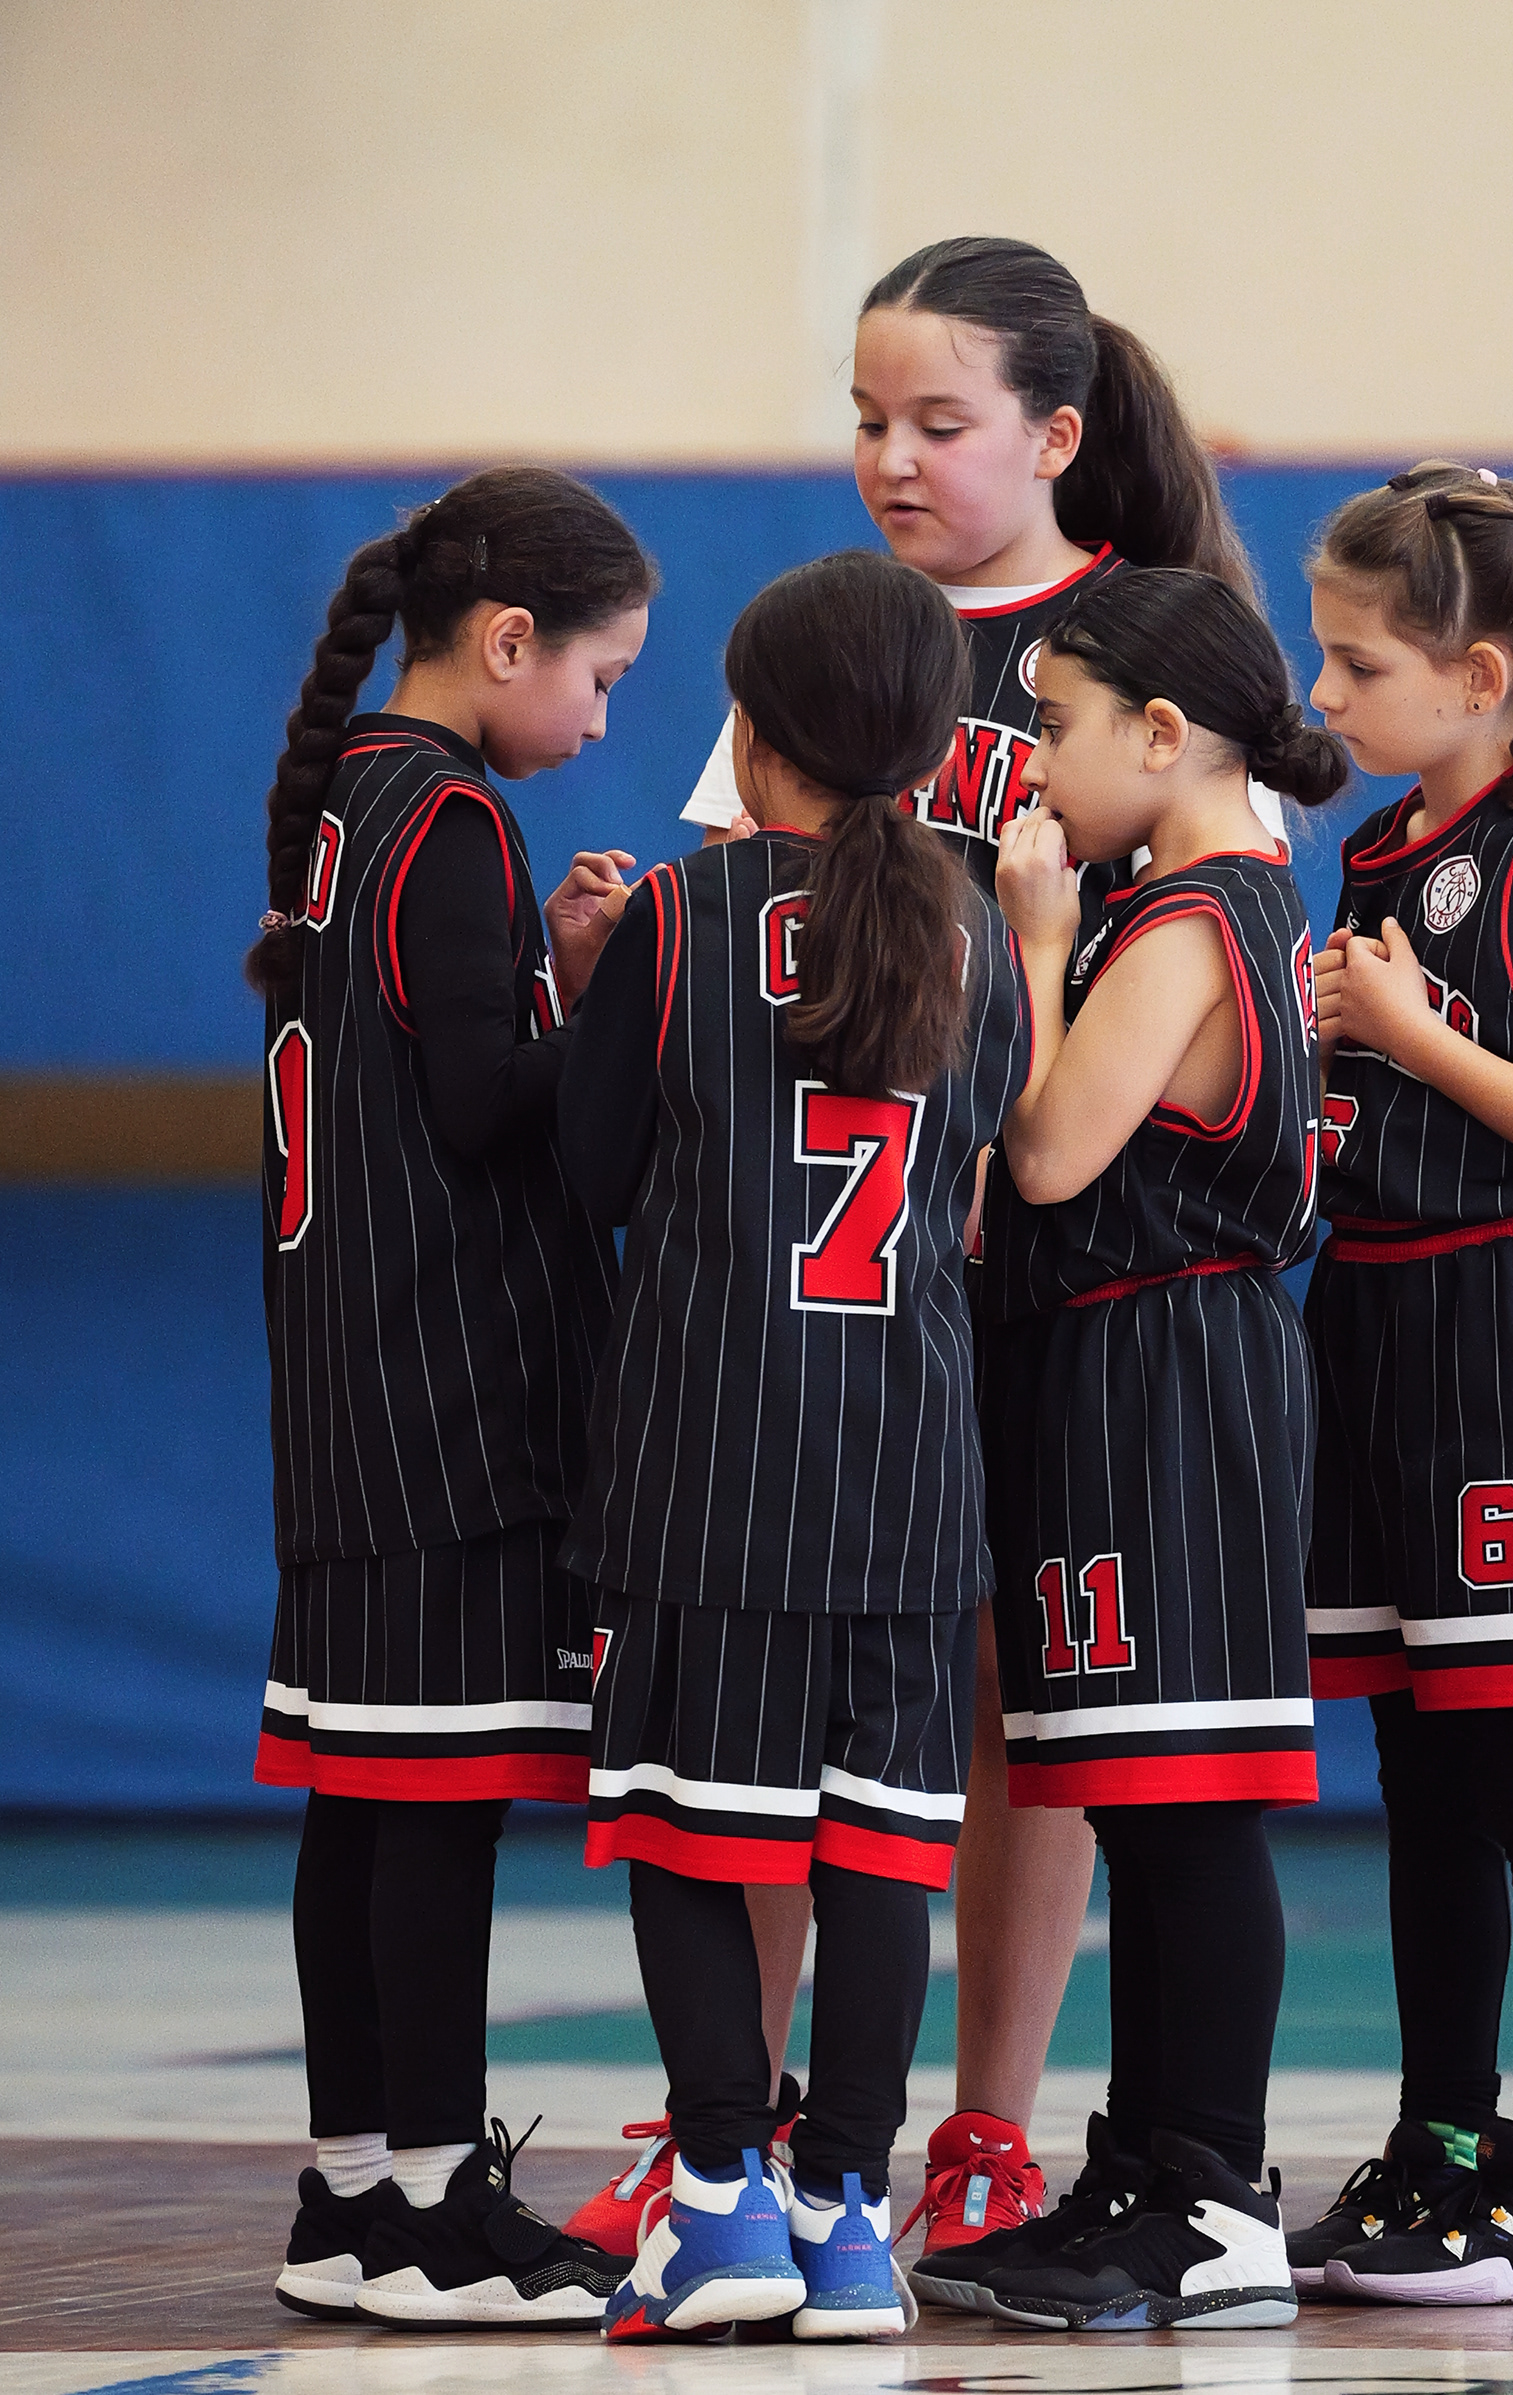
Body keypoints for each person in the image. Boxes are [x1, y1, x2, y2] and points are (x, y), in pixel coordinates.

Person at [569, 231, 1276, 2271]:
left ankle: (982, 2130)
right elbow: (730, 915)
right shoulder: (835, 637)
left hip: (1056, 1240)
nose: (891, 454)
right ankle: (739, 2118)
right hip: (822, 1271)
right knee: (768, 1697)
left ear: (1052, 435)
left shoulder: (1139, 641)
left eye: (936, 422)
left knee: (1009, 1693)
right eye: (868, 416)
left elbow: (1220, 896)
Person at [555, 550, 1033, 2341]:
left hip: (708, 1461)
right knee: (883, 1850)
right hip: (908, 1470)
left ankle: (715, 2202)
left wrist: (589, 983)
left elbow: (595, 1173)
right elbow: (976, 1175)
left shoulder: (684, 916)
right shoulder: (976, 934)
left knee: (693, 1836)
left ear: (756, 738)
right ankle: (846, 2218)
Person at [251, 466, 655, 2328]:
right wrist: (618, 998)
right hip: (449, 1394)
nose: (604, 717)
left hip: (347, 1382)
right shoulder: (458, 821)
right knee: (437, 1803)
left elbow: (436, 1069)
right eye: (600, 674)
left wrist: (543, 978)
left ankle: (352, 2196)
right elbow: (488, 1112)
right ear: (506, 642)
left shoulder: (353, 799)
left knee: (361, 1797)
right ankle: (431, 2206)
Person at [926, 566, 1347, 2331]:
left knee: (1188, 1807)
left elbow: (1047, 1153)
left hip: (1171, 1372)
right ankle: (1150, 2166)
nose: (1033, 763)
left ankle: (1215, 2191)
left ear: (1163, 735)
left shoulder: (1186, 920)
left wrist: (1030, 936)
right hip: (1117, 1365)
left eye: (1056, 726)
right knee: (1137, 1790)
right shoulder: (1191, 902)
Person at [1285, 461, 1513, 2305]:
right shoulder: (1376, 852)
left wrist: (1416, 1035)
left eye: (1358, 666)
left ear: (1480, 675)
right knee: (1420, 1774)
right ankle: (1445, 2137)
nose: (1327, 696)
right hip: (1370, 1327)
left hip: (1507, 1329)